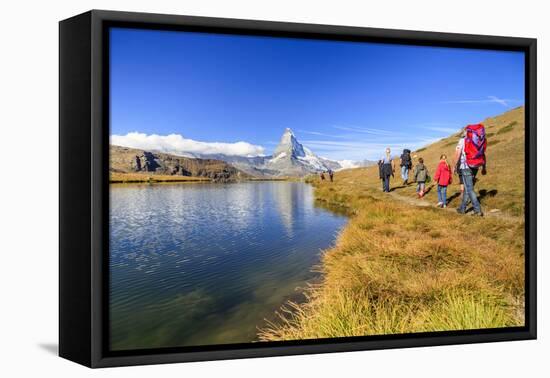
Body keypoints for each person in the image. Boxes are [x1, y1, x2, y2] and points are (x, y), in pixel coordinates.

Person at [453, 129, 485, 216]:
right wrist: (484, 167)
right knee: (468, 189)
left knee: (470, 189)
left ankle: (477, 210)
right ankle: (462, 208)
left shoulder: (462, 140)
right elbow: (482, 154)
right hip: (475, 166)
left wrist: (454, 166)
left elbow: (457, 154)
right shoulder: (477, 141)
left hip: (466, 167)